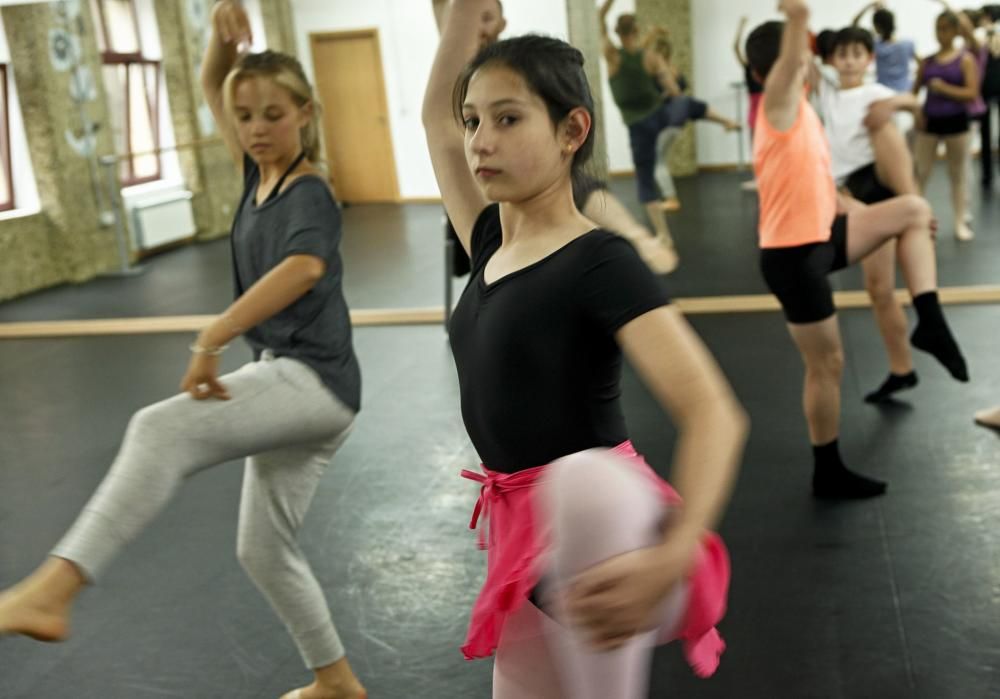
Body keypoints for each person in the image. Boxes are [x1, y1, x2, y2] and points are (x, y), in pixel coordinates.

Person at [0, 4, 366, 699]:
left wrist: (213, 336)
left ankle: (53, 588)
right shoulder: (255, 175)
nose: (257, 128)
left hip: (312, 382)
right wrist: (217, 43)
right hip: (296, 382)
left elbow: (303, 269)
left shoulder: (309, 191)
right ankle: (338, 683)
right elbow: (212, 88)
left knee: (158, 426)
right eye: (247, 116)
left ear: (307, 113)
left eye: (274, 114)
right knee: (263, 550)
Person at [423, 2, 748, 697]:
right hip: (519, 535)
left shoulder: (599, 261)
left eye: (508, 119)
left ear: (573, 129)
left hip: (604, 524)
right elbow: (435, 123)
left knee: (579, 477)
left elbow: (715, 413)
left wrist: (672, 554)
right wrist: (461, 19)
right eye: (475, 119)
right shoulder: (487, 241)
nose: (481, 139)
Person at [746, 0, 968, 500]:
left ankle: (930, 322)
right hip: (794, 258)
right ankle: (827, 471)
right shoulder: (777, 104)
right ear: (777, 68)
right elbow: (784, 68)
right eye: (800, 61)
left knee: (912, 209)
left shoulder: (803, 111)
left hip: (827, 233)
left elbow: (815, 174)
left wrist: (847, 203)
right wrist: (799, 20)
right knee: (827, 365)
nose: (807, 66)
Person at [432, 0, 677, 274]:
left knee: (574, 179)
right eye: (472, 121)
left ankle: (635, 235)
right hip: (480, 199)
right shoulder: (456, 62)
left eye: (488, 18)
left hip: (528, 199)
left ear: (502, 24)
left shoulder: (515, 66)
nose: (480, 26)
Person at [816, 26, 925, 403]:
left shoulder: (875, 92)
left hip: (871, 195)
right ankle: (903, 368)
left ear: (869, 59)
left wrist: (893, 105)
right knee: (878, 292)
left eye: (857, 54)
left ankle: (903, 366)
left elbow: (914, 104)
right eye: (841, 54)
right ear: (831, 59)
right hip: (840, 193)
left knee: (881, 290)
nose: (848, 61)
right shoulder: (827, 92)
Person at [599, 0, 739, 224]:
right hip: (661, 117)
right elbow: (674, 90)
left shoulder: (613, 56)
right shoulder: (649, 57)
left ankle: (663, 235)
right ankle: (725, 121)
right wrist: (665, 77)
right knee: (688, 104)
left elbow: (600, 19)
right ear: (636, 30)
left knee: (646, 173)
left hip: (639, 126)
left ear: (617, 31)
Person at [912, 7, 981, 240]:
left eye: (945, 29)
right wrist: (916, 114)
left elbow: (972, 92)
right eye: (937, 29)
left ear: (954, 31)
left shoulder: (965, 60)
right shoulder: (928, 61)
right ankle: (917, 222)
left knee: (957, 174)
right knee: (920, 173)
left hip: (957, 122)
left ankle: (961, 221)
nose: (940, 34)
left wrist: (944, 88)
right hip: (930, 123)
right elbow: (914, 93)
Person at [734, 16, 764, 191]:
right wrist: (741, 26)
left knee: (763, 144)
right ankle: (758, 178)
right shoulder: (748, 66)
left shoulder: (764, 67)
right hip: (754, 104)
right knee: (754, 144)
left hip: (763, 104)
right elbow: (735, 47)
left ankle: (764, 177)